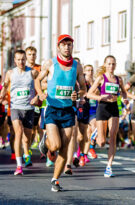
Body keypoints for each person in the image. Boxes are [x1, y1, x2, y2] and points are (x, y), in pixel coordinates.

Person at [36, 34, 87, 192]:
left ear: (72, 46)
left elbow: (83, 88)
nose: (67, 47)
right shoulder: (50, 63)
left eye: (69, 44)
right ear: (58, 46)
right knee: (56, 144)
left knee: (65, 148)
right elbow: (37, 80)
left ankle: (55, 180)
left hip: (68, 111)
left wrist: (77, 95)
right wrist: (40, 94)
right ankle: (45, 142)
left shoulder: (77, 66)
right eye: (63, 44)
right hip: (52, 108)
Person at [87, 55, 128, 177]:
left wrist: (125, 99)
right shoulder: (101, 78)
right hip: (103, 108)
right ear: (105, 65)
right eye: (109, 64)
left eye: (113, 64)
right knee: (101, 142)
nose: (111, 66)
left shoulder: (119, 79)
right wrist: (100, 97)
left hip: (114, 108)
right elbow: (89, 94)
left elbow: (124, 93)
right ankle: (95, 136)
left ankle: (109, 166)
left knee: (113, 137)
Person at [0, 49, 39, 175]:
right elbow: (5, 87)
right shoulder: (10, 73)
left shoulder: (33, 72)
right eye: (18, 59)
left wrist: (37, 97)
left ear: (25, 59)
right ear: (15, 60)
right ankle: (19, 165)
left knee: (27, 137)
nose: (21, 61)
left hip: (29, 109)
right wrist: (1, 97)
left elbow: (40, 87)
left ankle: (27, 152)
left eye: (23, 59)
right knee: (18, 133)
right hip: (15, 107)